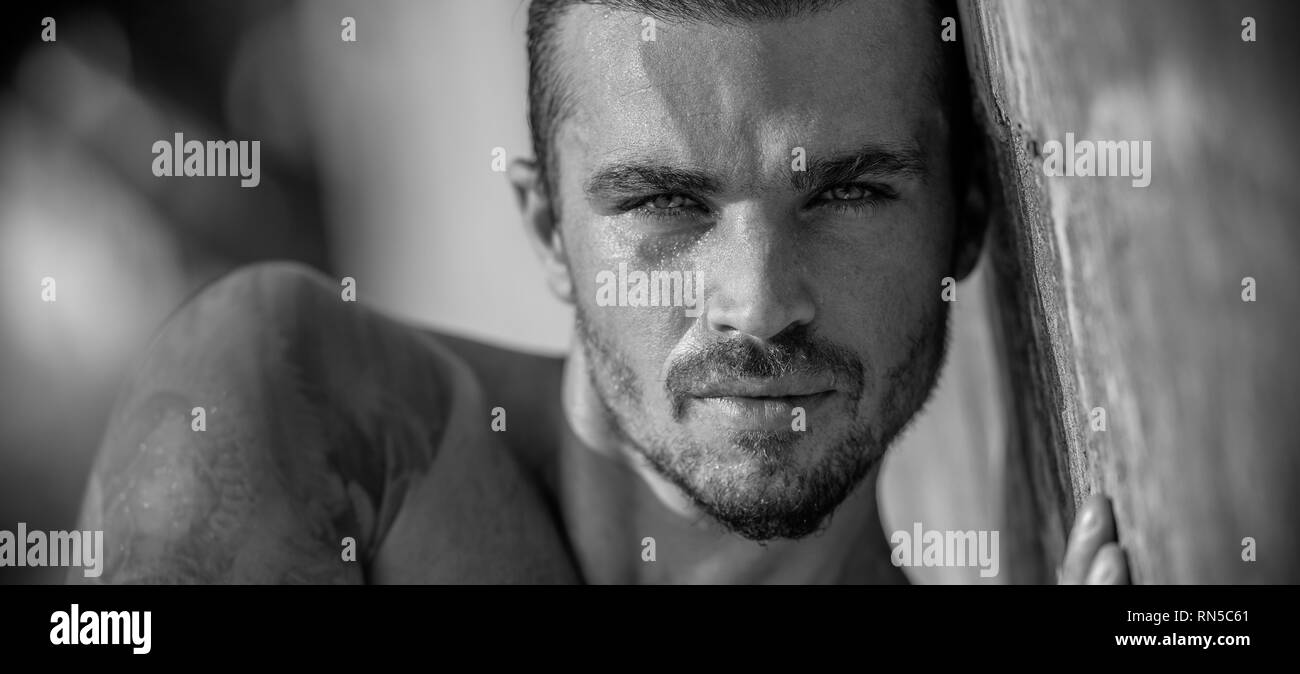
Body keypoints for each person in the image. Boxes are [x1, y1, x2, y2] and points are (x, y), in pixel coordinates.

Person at [72, 0, 1127, 584]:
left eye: (847, 191)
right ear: (547, 230)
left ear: (969, 217)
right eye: (668, 200)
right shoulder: (308, 409)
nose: (757, 303)